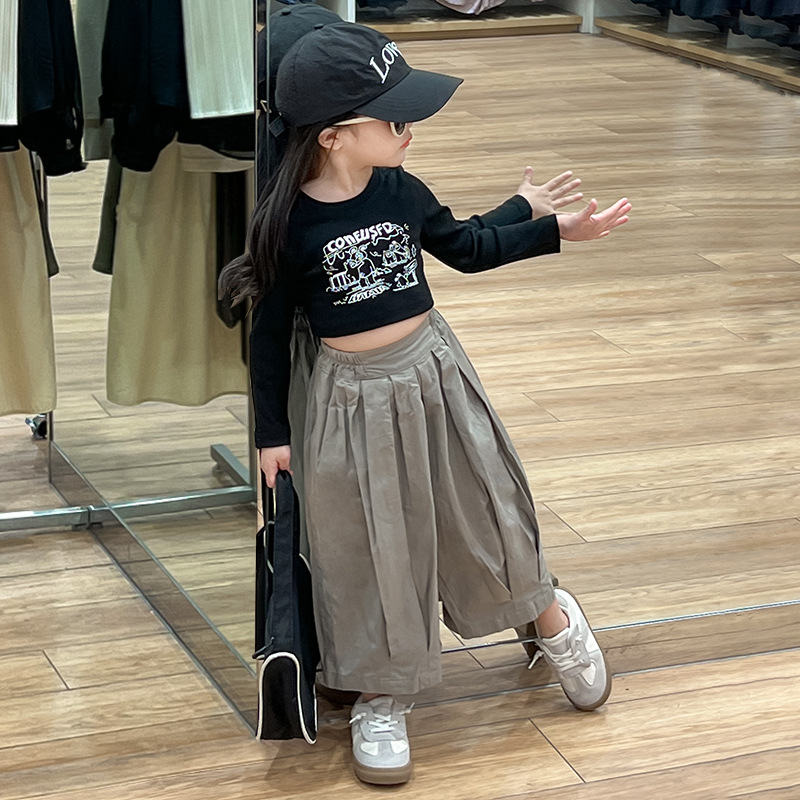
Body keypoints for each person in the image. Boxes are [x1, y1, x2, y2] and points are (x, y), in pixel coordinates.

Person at [220, 21, 631, 787]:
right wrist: (272, 434)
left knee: (481, 509)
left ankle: (550, 616)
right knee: (369, 544)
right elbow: (268, 336)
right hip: (348, 405)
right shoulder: (287, 222)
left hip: (434, 377)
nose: (411, 130)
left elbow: (464, 246)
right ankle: (381, 692)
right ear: (336, 136)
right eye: (395, 118)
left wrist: (546, 225)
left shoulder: (401, 191)